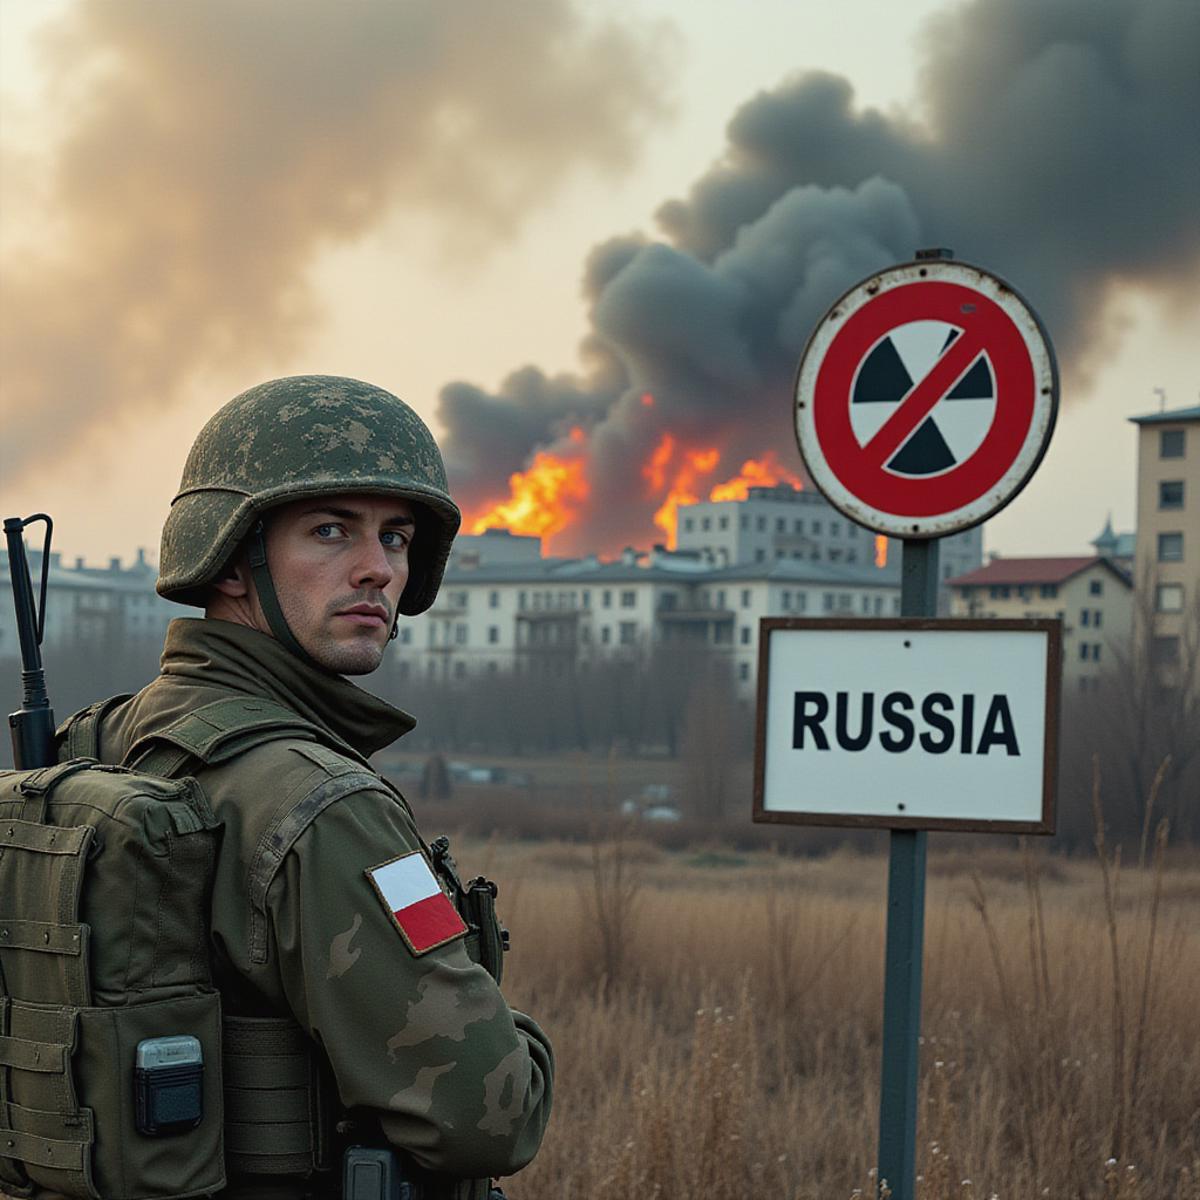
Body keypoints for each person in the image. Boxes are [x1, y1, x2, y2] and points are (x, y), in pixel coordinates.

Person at [76, 376, 553, 1199]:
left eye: (397, 539)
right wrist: (519, 1040)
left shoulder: (98, 739)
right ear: (230, 560)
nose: (376, 570)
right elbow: (489, 1114)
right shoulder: (327, 809)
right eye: (331, 532)